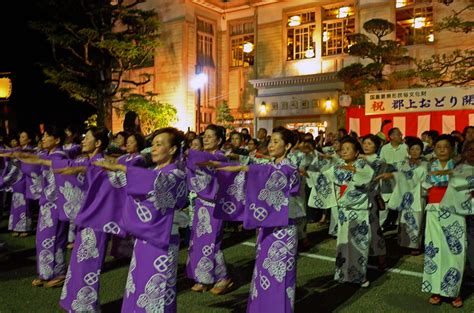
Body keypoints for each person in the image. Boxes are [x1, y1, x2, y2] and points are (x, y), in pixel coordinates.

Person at [96, 127, 188, 313]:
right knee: (138, 284)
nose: (154, 148)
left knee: (157, 290)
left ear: (172, 150)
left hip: (163, 240)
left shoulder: (176, 174)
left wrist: (121, 168)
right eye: (153, 144)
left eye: (159, 144)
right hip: (144, 237)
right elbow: (125, 184)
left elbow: (157, 183)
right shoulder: (151, 171)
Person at [215, 126, 300, 313]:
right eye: (270, 141)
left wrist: (241, 168)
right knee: (263, 269)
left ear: (288, 146)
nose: (271, 145)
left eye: (276, 141)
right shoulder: (270, 165)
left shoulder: (289, 167)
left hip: (283, 227)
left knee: (280, 271)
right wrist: (230, 166)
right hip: (267, 225)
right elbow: (256, 168)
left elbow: (263, 173)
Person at [17, 125, 70, 287]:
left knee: (56, 238)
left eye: (47, 136)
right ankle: (45, 272)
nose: (43, 139)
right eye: (43, 136)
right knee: (43, 239)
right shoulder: (47, 155)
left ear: (57, 140)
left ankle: (58, 272)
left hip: (56, 204)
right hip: (46, 204)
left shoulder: (60, 157)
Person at [186, 124, 233, 294]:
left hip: (214, 206)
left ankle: (223, 278)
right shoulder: (203, 157)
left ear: (219, 140)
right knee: (198, 242)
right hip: (200, 204)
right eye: (204, 136)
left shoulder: (221, 157)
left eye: (209, 136)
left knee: (213, 243)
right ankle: (203, 278)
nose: (205, 139)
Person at [421, 135, 462, 307]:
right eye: (438, 147)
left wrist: (444, 176)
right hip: (434, 210)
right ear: (434, 149)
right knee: (434, 249)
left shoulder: (461, 167)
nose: (442, 149)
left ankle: (453, 291)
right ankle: (436, 289)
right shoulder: (429, 166)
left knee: (454, 250)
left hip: (454, 210)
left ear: (452, 149)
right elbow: (425, 186)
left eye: (446, 146)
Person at [377, 137, 428, 255]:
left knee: (417, 220)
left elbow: (425, 181)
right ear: (409, 151)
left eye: (417, 149)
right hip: (406, 196)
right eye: (412, 149)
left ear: (421, 151)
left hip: (419, 195)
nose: (415, 151)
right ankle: (404, 243)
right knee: (404, 219)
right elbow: (400, 177)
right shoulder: (405, 164)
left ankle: (416, 245)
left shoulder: (425, 165)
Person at [379, 127, 408, 232]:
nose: (401, 136)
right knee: (387, 200)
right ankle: (383, 224)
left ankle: (397, 224)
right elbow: (381, 163)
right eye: (399, 134)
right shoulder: (384, 148)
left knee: (400, 199)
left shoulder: (405, 148)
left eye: (401, 134)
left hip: (401, 179)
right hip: (387, 180)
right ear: (391, 136)